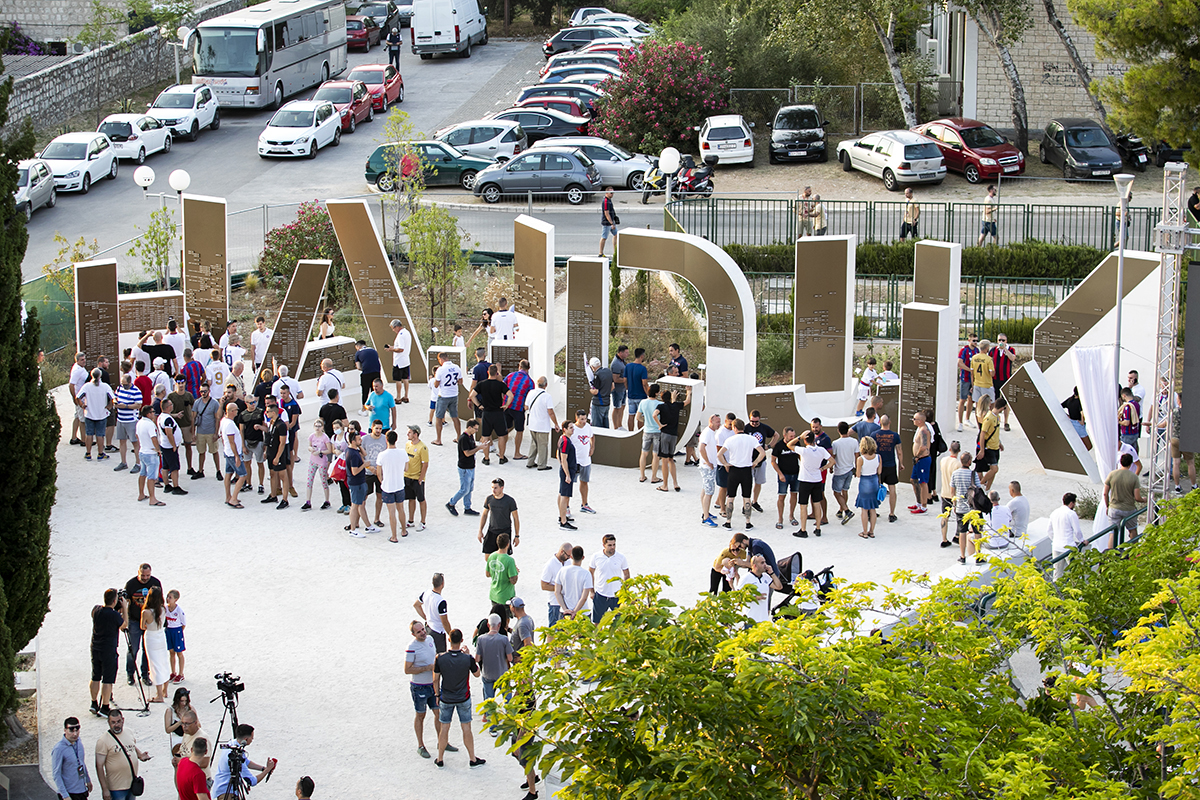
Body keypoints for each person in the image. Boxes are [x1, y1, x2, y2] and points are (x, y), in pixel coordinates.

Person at [433, 629, 486, 769]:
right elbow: (477, 674)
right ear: (462, 640)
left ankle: (440, 758)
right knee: (466, 728)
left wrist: (437, 694)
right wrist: (469, 656)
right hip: (463, 697)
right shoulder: (467, 659)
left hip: (446, 697)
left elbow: (435, 679)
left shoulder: (440, 658)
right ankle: (472, 758)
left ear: (449, 640)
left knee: (444, 728)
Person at [405, 620, 450, 760]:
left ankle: (442, 741)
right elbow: (407, 669)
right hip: (419, 687)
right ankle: (420, 745)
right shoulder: (411, 647)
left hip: (433, 684)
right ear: (413, 634)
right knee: (420, 715)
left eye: (423, 630)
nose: (423, 633)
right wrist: (426, 668)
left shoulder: (430, 639)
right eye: (418, 632)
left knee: (438, 713)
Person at [717, 419, 768, 530]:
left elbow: (719, 454)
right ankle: (748, 522)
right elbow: (762, 453)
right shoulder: (751, 439)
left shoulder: (730, 440)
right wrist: (755, 462)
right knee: (747, 497)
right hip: (746, 470)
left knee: (730, 497)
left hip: (734, 469)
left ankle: (728, 522)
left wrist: (725, 464)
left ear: (734, 428)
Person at [95, 708, 150, 800]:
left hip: (132, 784)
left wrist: (140, 755)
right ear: (108, 722)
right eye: (113, 722)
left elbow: (131, 745)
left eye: (118, 721)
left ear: (123, 720)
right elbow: (99, 766)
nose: (116, 725)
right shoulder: (103, 741)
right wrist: (104, 789)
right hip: (116, 788)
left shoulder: (129, 732)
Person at [210, 724, 276, 800]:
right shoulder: (237, 756)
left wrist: (263, 768)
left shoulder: (232, 745)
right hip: (227, 793)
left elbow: (246, 762)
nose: (252, 740)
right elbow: (252, 781)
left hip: (220, 788)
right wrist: (267, 770)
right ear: (245, 739)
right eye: (252, 738)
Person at [90, 589, 126, 717]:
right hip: (108, 649)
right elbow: (124, 625)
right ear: (115, 601)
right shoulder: (114, 615)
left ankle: (93, 703)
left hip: (95, 647)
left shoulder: (96, 610)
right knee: (107, 679)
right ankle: (105, 707)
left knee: (95, 676)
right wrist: (125, 608)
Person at [470, 364, 512, 464]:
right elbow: (511, 395)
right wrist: (506, 405)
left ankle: (486, 458)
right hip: (498, 413)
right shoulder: (500, 384)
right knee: (501, 436)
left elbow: (472, 395)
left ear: (488, 372)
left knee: (486, 436)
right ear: (497, 373)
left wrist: (479, 405)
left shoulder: (482, 384)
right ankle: (501, 457)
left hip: (486, 413)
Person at [1104, 452, 1144, 547]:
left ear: (1120, 462)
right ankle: (1134, 551)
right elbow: (1137, 498)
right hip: (1129, 509)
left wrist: (1107, 506)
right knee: (1133, 530)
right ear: (1131, 464)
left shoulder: (1112, 474)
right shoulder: (1134, 477)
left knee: (1113, 533)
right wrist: (1144, 499)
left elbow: (1105, 493)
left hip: (1114, 508)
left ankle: (1110, 553)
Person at [375, 429, 409, 541]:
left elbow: (379, 473)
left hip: (388, 486)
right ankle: (403, 530)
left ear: (386, 440)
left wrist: (383, 482)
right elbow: (406, 468)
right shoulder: (403, 452)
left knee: (391, 513)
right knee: (401, 509)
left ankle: (394, 536)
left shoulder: (382, 455)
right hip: (399, 485)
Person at [950, 452, 982, 564]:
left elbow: (952, 490)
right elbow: (978, 489)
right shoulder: (973, 474)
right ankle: (978, 555)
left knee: (962, 531)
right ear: (969, 462)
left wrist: (954, 504)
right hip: (973, 507)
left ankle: (962, 556)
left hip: (960, 507)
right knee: (977, 531)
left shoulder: (955, 474)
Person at [589, 534, 629, 623]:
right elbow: (590, 572)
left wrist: (625, 591)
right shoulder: (596, 556)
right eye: (610, 545)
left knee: (621, 622)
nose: (612, 547)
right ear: (604, 545)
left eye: (614, 544)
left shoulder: (621, 557)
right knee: (597, 622)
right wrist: (591, 591)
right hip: (601, 594)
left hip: (617, 596)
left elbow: (626, 574)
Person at [743, 409, 777, 512]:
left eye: (756, 421)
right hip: (748, 460)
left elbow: (776, 435)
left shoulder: (764, 427)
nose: (754, 423)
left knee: (758, 482)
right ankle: (746, 503)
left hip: (760, 460)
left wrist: (769, 446)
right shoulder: (746, 428)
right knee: (747, 484)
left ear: (760, 419)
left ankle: (755, 501)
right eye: (752, 421)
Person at [141, 586, 170, 703]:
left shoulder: (146, 612)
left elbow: (142, 626)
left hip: (151, 637)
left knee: (155, 665)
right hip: (161, 636)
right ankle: (165, 691)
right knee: (163, 662)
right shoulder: (163, 609)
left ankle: (159, 695)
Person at [79, 368, 116, 461]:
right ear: (100, 376)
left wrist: (82, 405)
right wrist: (110, 406)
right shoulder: (105, 386)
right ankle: (100, 453)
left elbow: (78, 397)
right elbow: (113, 398)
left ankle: (88, 453)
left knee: (89, 434)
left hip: (89, 413)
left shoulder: (86, 386)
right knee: (100, 435)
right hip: (101, 413)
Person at [736, 554, 782, 625]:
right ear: (755, 566)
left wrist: (772, 573)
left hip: (764, 620)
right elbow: (738, 597)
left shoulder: (766, 577)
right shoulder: (745, 578)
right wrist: (755, 598)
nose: (765, 565)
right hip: (751, 620)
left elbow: (779, 587)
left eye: (765, 562)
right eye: (762, 563)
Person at [53, 717, 92, 800]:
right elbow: (56, 774)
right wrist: (65, 795)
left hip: (82, 790)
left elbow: (82, 762)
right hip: (70, 793)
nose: (75, 734)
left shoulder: (79, 742)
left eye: (77, 730)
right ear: (65, 730)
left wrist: (87, 780)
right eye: (71, 730)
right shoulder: (59, 749)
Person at [524, 377, 558, 470]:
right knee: (542, 445)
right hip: (542, 425)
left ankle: (530, 462)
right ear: (546, 385)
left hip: (532, 423)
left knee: (533, 443)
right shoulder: (547, 396)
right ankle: (542, 464)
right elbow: (550, 412)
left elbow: (526, 407)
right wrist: (556, 423)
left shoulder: (531, 392)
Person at [344, 430, 373, 538]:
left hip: (359, 482)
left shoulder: (353, 450)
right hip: (356, 483)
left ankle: (368, 526)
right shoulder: (353, 454)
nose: (361, 440)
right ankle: (353, 529)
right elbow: (354, 471)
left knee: (359, 504)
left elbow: (364, 454)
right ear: (353, 441)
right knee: (355, 506)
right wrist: (364, 465)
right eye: (359, 439)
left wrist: (359, 445)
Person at [485, 533, 520, 625]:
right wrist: (515, 571)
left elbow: (487, 574)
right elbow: (513, 581)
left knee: (495, 619)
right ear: (508, 544)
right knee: (505, 622)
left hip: (493, 594)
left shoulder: (491, 556)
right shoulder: (509, 560)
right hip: (505, 596)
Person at [478, 478, 519, 555]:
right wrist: (480, 530)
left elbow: (515, 518)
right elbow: (484, 515)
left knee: (503, 557)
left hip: (505, 533)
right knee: (488, 556)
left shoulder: (510, 501)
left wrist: (517, 536)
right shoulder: (489, 499)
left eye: (495, 488)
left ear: (502, 488)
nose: (493, 490)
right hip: (491, 531)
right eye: (492, 487)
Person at [771, 425, 800, 530]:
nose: (793, 438)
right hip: (784, 475)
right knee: (781, 496)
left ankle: (791, 516)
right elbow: (773, 461)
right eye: (791, 436)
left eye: (794, 436)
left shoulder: (796, 444)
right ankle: (780, 518)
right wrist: (780, 474)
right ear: (785, 435)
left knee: (794, 494)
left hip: (795, 473)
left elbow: (800, 456)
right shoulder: (779, 446)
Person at [873, 415, 902, 522]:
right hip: (890, 465)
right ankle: (892, 513)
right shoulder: (895, 435)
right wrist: (901, 463)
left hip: (878, 465)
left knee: (874, 489)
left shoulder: (874, 435)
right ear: (889, 422)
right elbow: (899, 451)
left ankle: (873, 511)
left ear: (880, 422)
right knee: (892, 489)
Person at [553, 545, 593, 621]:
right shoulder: (586, 574)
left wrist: (565, 609)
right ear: (583, 557)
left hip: (565, 613)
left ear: (571, 557)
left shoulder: (562, 571)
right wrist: (575, 611)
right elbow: (584, 597)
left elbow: (557, 592)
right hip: (582, 613)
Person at [1049, 493, 1084, 580]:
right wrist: (1082, 540)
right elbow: (1077, 531)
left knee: (1057, 574)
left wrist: (1055, 540)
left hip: (1056, 546)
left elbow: (1049, 530)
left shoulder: (1054, 513)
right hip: (1069, 547)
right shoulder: (1071, 514)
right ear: (1071, 503)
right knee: (1076, 573)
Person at [263, 403, 291, 509]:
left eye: (268, 411)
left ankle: (285, 499)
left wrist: (278, 457)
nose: (266, 413)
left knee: (283, 476)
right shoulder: (271, 423)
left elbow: (282, 443)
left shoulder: (281, 425)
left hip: (278, 453)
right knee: (272, 473)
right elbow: (268, 437)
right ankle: (273, 495)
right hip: (271, 452)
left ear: (273, 412)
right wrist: (266, 451)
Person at [504, 359, 535, 458]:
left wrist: (504, 401)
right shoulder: (530, 381)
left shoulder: (510, 375)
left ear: (519, 366)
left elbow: (502, 387)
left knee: (505, 429)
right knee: (519, 430)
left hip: (507, 406)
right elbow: (530, 396)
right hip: (519, 407)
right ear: (528, 368)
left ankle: (502, 452)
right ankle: (517, 453)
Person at [830, 421, 858, 524]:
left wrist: (831, 467)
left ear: (838, 431)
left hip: (839, 471)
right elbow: (857, 456)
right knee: (845, 491)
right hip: (850, 470)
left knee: (836, 492)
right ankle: (841, 510)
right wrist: (857, 469)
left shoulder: (835, 443)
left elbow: (833, 456)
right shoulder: (854, 441)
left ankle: (846, 510)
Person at [415, 573, 452, 653]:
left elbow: (416, 605)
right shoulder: (441, 601)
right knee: (440, 657)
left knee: (429, 655)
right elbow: (445, 622)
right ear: (442, 584)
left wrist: (426, 617)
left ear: (432, 583)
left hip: (428, 629)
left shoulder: (426, 593)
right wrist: (451, 635)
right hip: (438, 633)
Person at [402, 424, 429, 531]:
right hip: (407, 477)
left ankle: (423, 522)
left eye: (410, 432)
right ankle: (411, 520)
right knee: (411, 498)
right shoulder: (407, 444)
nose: (407, 434)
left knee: (421, 499)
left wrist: (421, 478)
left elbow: (425, 464)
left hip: (417, 478)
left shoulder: (422, 447)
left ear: (415, 434)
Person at [135, 406, 164, 506]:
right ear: (148, 414)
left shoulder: (139, 422)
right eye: (153, 412)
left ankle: (141, 494)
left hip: (142, 451)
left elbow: (137, 435)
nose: (154, 413)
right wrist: (158, 449)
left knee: (142, 474)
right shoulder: (150, 424)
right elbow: (153, 438)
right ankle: (152, 498)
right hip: (150, 453)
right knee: (151, 477)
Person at [432, 351, 463, 445]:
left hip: (443, 395)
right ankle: (458, 437)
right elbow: (460, 382)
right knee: (455, 416)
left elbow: (436, 385)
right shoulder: (456, 367)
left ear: (440, 359)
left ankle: (438, 439)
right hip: (454, 394)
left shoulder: (440, 370)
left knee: (439, 417)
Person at [853, 435, 881, 538]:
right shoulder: (878, 457)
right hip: (874, 481)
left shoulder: (860, 459)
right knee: (873, 509)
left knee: (864, 509)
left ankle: (864, 532)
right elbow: (879, 471)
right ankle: (871, 531)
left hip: (864, 482)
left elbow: (858, 474)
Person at [569, 410, 597, 512]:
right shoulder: (572, 429)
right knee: (569, 483)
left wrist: (592, 447)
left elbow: (592, 436)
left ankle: (584, 504)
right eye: (581, 419)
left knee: (584, 482)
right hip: (574, 461)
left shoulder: (588, 427)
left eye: (585, 419)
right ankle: (566, 506)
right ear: (576, 418)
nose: (584, 421)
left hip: (586, 460)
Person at [157, 397, 186, 495]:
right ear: (168, 407)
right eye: (171, 405)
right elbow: (169, 433)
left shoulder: (161, 416)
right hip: (169, 446)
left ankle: (167, 485)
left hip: (164, 445)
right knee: (174, 467)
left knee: (165, 466)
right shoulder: (167, 419)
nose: (172, 406)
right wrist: (173, 445)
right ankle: (176, 486)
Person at [302, 420, 332, 511]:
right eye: (316, 426)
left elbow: (329, 450)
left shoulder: (325, 437)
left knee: (324, 481)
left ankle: (327, 500)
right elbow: (309, 446)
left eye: (319, 426)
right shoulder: (312, 436)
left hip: (322, 461)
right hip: (313, 460)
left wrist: (320, 452)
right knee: (309, 481)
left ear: (322, 427)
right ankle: (308, 501)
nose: (317, 428)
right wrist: (311, 449)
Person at [635, 384, 663, 483]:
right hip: (657, 431)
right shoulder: (660, 404)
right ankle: (654, 477)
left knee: (644, 453)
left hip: (647, 430)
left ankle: (642, 476)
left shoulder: (643, 402)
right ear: (657, 393)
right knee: (655, 455)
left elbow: (638, 417)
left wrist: (645, 421)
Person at [698, 413, 722, 527]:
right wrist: (707, 462)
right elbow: (701, 448)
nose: (719, 424)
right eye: (717, 422)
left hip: (709, 466)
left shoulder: (711, 432)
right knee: (709, 492)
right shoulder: (707, 433)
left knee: (705, 489)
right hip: (707, 467)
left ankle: (705, 512)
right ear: (711, 421)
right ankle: (706, 518)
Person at [540, 542, 572, 626]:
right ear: (561, 552)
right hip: (555, 603)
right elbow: (543, 585)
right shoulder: (550, 565)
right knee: (553, 628)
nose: (569, 558)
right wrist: (560, 588)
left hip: (567, 602)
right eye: (568, 556)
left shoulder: (568, 562)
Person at [383, 318, 412, 404]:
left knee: (398, 379)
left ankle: (398, 397)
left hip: (399, 361)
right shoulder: (406, 332)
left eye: (393, 328)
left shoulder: (400, 335)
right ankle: (406, 396)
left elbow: (400, 349)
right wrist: (393, 347)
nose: (393, 330)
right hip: (406, 359)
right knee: (405, 378)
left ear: (396, 327)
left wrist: (391, 349)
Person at [979, 396, 1005, 490]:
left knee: (993, 472)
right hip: (989, 447)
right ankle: (980, 485)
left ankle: (987, 489)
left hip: (995, 447)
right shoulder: (989, 418)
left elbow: (995, 432)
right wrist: (982, 449)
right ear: (1002, 408)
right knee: (994, 469)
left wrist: (999, 443)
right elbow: (982, 434)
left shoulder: (997, 417)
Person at [908, 411, 932, 513]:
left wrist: (917, 456)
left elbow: (923, 446)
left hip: (922, 459)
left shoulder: (924, 431)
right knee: (913, 480)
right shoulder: (919, 429)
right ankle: (919, 502)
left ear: (920, 421)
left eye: (915, 419)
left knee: (923, 482)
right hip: (918, 459)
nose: (913, 420)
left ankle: (923, 505)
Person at [956, 332, 980, 431]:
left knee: (971, 399)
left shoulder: (977, 350)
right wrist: (970, 370)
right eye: (974, 341)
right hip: (965, 378)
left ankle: (967, 419)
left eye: (977, 341)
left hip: (974, 379)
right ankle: (960, 422)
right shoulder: (964, 350)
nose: (975, 342)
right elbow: (959, 363)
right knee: (962, 400)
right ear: (969, 340)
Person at [557, 420, 578, 530]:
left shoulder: (562, 438)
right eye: (570, 427)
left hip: (565, 470)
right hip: (567, 470)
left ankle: (562, 516)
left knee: (562, 493)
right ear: (565, 429)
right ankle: (563, 521)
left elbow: (558, 455)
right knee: (565, 495)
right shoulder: (565, 441)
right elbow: (563, 458)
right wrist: (567, 474)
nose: (573, 429)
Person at [175, 736, 210, 800]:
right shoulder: (198, 774)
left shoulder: (182, 762)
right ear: (206, 752)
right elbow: (202, 798)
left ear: (191, 749)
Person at [353, 340, 382, 411]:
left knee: (365, 391)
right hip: (376, 372)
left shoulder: (358, 353)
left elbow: (358, 367)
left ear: (358, 346)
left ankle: (364, 408)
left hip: (366, 373)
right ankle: (377, 406)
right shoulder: (373, 350)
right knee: (375, 390)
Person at [624, 348, 649, 430]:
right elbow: (644, 383)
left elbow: (624, 380)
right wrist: (648, 393)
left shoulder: (628, 366)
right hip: (641, 395)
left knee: (631, 415)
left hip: (631, 395)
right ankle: (639, 433)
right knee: (640, 416)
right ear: (642, 356)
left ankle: (630, 432)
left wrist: (627, 388)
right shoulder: (643, 368)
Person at [164, 589, 186, 683]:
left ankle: (181, 674)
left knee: (179, 653)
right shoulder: (165, 608)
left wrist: (178, 633)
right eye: (167, 597)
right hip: (168, 631)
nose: (168, 599)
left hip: (176, 631)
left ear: (176, 599)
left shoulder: (179, 610)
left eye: (170, 597)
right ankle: (173, 672)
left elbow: (183, 623)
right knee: (171, 652)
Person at [587, 356, 613, 429]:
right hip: (607, 402)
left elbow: (596, 391)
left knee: (597, 426)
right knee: (605, 424)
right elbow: (613, 386)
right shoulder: (608, 371)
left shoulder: (597, 375)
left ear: (592, 367)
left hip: (598, 403)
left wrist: (590, 390)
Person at [610, 345, 628, 429]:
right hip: (617, 390)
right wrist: (626, 380)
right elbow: (615, 379)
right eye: (626, 352)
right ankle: (615, 427)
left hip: (623, 389)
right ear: (621, 353)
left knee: (622, 407)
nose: (628, 354)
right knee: (617, 408)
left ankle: (620, 425)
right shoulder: (616, 363)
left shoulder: (622, 361)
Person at [1118, 387, 1141, 453]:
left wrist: (1119, 422)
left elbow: (1126, 422)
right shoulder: (1136, 404)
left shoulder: (1128, 406)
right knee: (1133, 452)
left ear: (1124, 396)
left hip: (1127, 433)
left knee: (1125, 452)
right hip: (1135, 431)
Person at [599, 186, 619, 256]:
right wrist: (611, 223)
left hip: (611, 222)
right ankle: (600, 253)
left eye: (613, 193)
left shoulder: (609, 200)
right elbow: (606, 213)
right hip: (607, 223)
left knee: (616, 235)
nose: (612, 194)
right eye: (611, 193)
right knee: (604, 237)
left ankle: (615, 252)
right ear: (606, 193)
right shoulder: (605, 201)